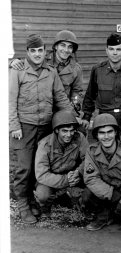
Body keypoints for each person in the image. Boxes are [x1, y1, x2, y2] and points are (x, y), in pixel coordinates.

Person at [9, 34, 73, 224]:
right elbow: (9, 101)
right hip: (24, 128)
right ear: (27, 52)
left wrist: (72, 118)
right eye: (33, 51)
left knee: (40, 167)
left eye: (40, 50)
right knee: (24, 168)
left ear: (46, 52)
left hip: (45, 128)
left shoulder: (51, 72)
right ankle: (23, 205)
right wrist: (14, 126)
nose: (37, 54)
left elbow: (61, 97)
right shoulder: (18, 71)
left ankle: (33, 200)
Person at [10, 30, 83, 113]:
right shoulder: (43, 59)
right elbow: (28, 61)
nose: (66, 50)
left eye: (70, 47)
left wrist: (75, 106)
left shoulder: (76, 69)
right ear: (56, 46)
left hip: (63, 109)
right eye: (63, 45)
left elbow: (77, 91)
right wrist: (12, 62)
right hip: (43, 109)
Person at [34, 110, 89, 218]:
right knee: (43, 195)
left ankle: (75, 200)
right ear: (57, 130)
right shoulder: (45, 145)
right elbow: (41, 175)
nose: (69, 135)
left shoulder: (80, 137)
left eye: (72, 130)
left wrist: (78, 172)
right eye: (64, 131)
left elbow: (88, 159)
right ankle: (45, 207)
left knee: (91, 187)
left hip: (74, 175)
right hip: (51, 179)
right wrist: (66, 180)